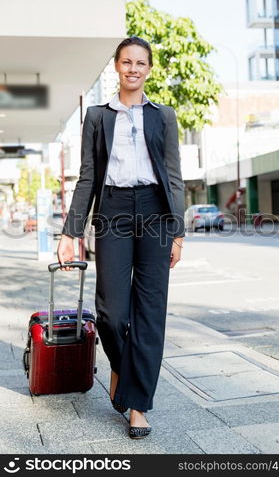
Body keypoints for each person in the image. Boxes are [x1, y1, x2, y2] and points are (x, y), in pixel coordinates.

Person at [57, 36, 185, 439]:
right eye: (126, 62)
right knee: (111, 312)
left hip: (155, 213)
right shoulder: (97, 116)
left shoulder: (164, 116)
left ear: (149, 69)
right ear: (116, 66)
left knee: (150, 313)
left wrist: (177, 232)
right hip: (111, 211)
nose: (133, 69)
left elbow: (174, 177)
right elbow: (88, 177)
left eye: (140, 63)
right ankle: (120, 367)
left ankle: (137, 405)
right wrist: (70, 232)